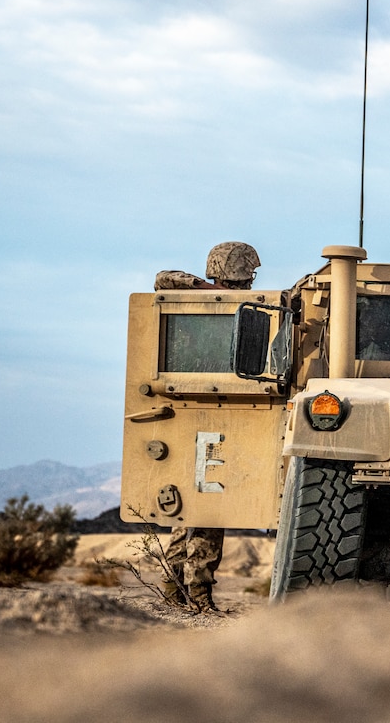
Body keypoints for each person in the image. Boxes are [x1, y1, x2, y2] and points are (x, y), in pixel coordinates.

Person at [155, 241, 261, 611]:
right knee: (203, 514)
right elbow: (164, 277)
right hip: (201, 413)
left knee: (193, 516)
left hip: (212, 414)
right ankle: (193, 595)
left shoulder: (247, 307)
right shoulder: (199, 301)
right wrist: (212, 292)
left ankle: (177, 592)